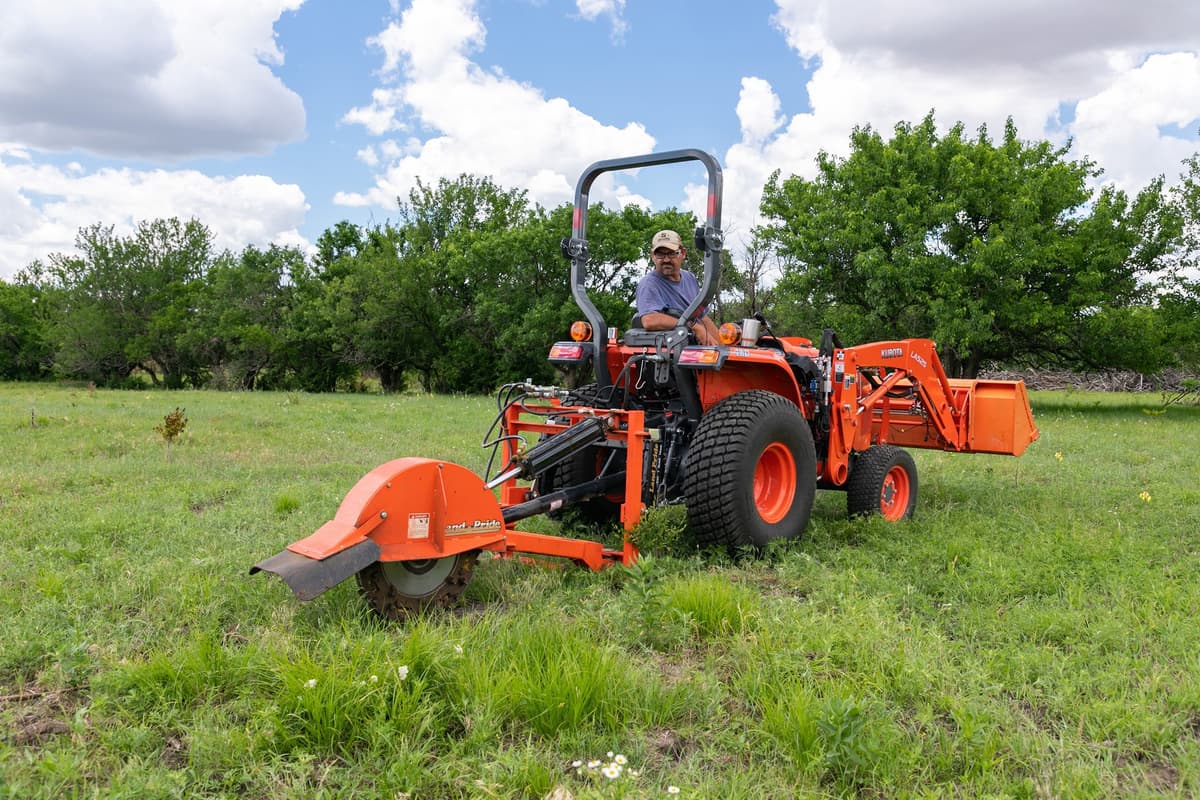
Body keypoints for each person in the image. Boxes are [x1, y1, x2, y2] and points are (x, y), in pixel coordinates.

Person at [635, 229, 720, 345]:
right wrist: (694, 327)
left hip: (695, 349)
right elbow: (649, 320)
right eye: (660, 254)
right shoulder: (649, 284)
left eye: (671, 253)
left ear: (682, 253)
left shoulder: (690, 278)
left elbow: (703, 317)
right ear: (653, 256)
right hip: (671, 353)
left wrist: (723, 347)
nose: (666, 260)